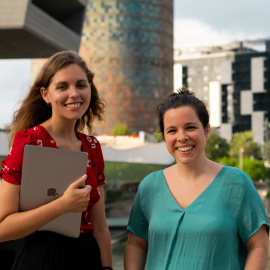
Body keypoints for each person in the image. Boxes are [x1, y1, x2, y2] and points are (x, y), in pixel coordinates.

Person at [124, 87, 269, 270]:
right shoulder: (149, 187)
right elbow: (136, 244)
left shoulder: (237, 184)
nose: (182, 137)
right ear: (164, 137)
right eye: (172, 131)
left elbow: (259, 245)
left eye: (190, 127)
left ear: (206, 131)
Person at [0, 51, 113, 270]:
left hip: (87, 258)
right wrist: (63, 205)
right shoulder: (28, 142)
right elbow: (2, 228)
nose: (74, 94)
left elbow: (100, 227)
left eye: (81, 85)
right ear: (46, 95)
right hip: (42, 259)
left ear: (90, 89)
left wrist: (107, 267)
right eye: (62, 87)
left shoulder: (92, 146)